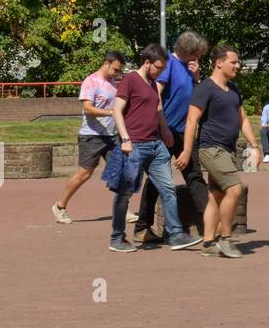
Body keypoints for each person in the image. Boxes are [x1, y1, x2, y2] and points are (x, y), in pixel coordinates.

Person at [109, 44, 201, 253]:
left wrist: (165, 130)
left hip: (155, 145)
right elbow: (116, 110)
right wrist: (125, 138)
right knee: (124, 194)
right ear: (147, 62)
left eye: (162, 68)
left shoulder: (151, 84)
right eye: (158, 68)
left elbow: (157, 109)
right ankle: (117, 237)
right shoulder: (131, 79)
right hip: (134, 146)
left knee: (168, 189)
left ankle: (176, 234)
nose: (160, 72)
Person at [180, 43, 261, 258]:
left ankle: (208, 243)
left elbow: (242, 118)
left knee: (216, 195)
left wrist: (255, 145)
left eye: (239, 62)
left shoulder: (232, 89)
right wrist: (187, 151)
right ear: (219, 63)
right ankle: (225, 239)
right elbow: (191, 120)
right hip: (210, 149)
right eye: (233, 62)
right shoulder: (205, 88)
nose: (238, 65)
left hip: (227, 150)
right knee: (235, 189)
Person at [133, 31, 210, 244]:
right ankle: (142, 227)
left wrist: (196, 78)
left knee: (194, 175)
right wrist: (163, 127)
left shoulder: (189, 68)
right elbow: (155, 94)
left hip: (184, 131)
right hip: (165, 131)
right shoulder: (168, 64)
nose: (199, 58)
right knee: (157, 179)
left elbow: (194, 97)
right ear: (189, 51)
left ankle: (210, 224)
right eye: (197, 54)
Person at [53, 51, 133, 224]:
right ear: (106, 63)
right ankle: (60, 206)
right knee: (85, 173)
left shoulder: (113, 83)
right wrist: (111, 112)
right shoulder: (91, 82)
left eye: (119, 71)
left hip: (111, 137)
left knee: (121, 171)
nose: (117, 73)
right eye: (115, 69)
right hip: (91, 136)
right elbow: (88, 109)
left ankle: (122, 209)